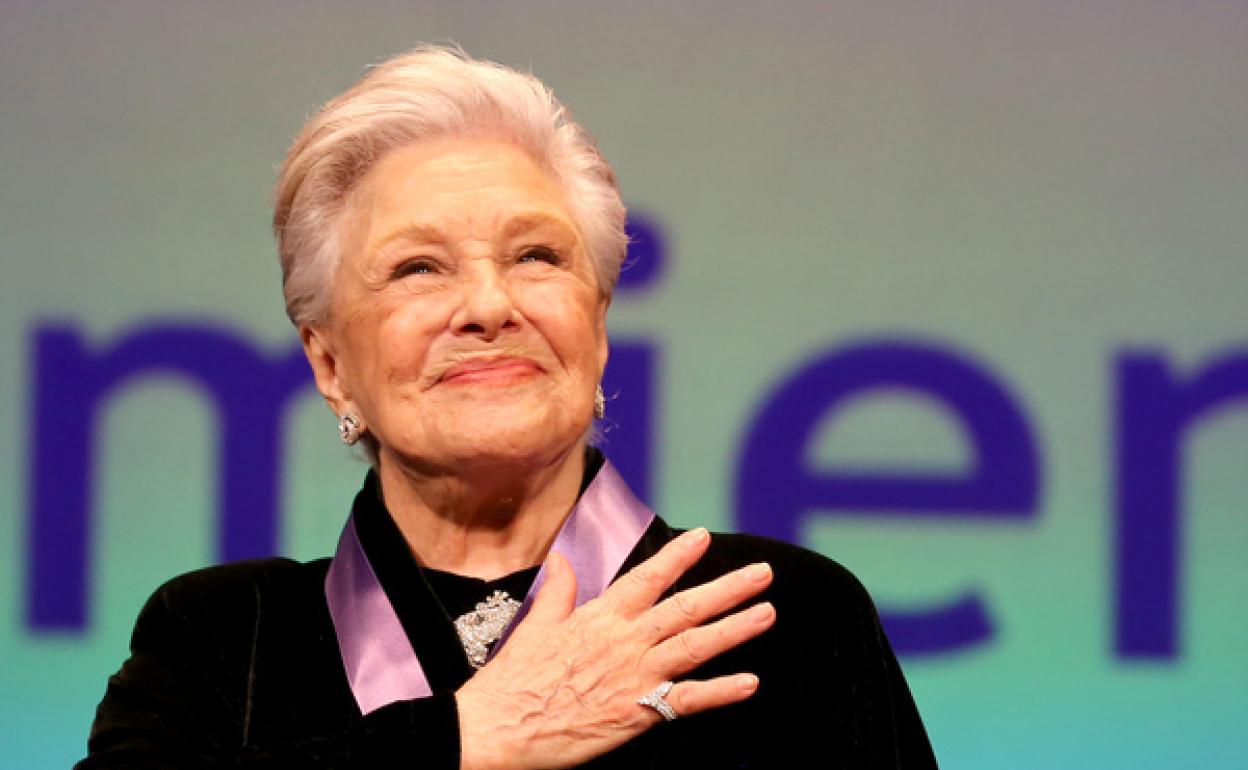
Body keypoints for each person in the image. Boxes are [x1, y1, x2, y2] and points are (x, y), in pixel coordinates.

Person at [77, 46, 937, 769]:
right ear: (330, 362)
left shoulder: (778, 619)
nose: (489, 306)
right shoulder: (227, 637)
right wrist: (466, 738)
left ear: (596, 328)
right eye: (419, 267)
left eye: (535, 256)